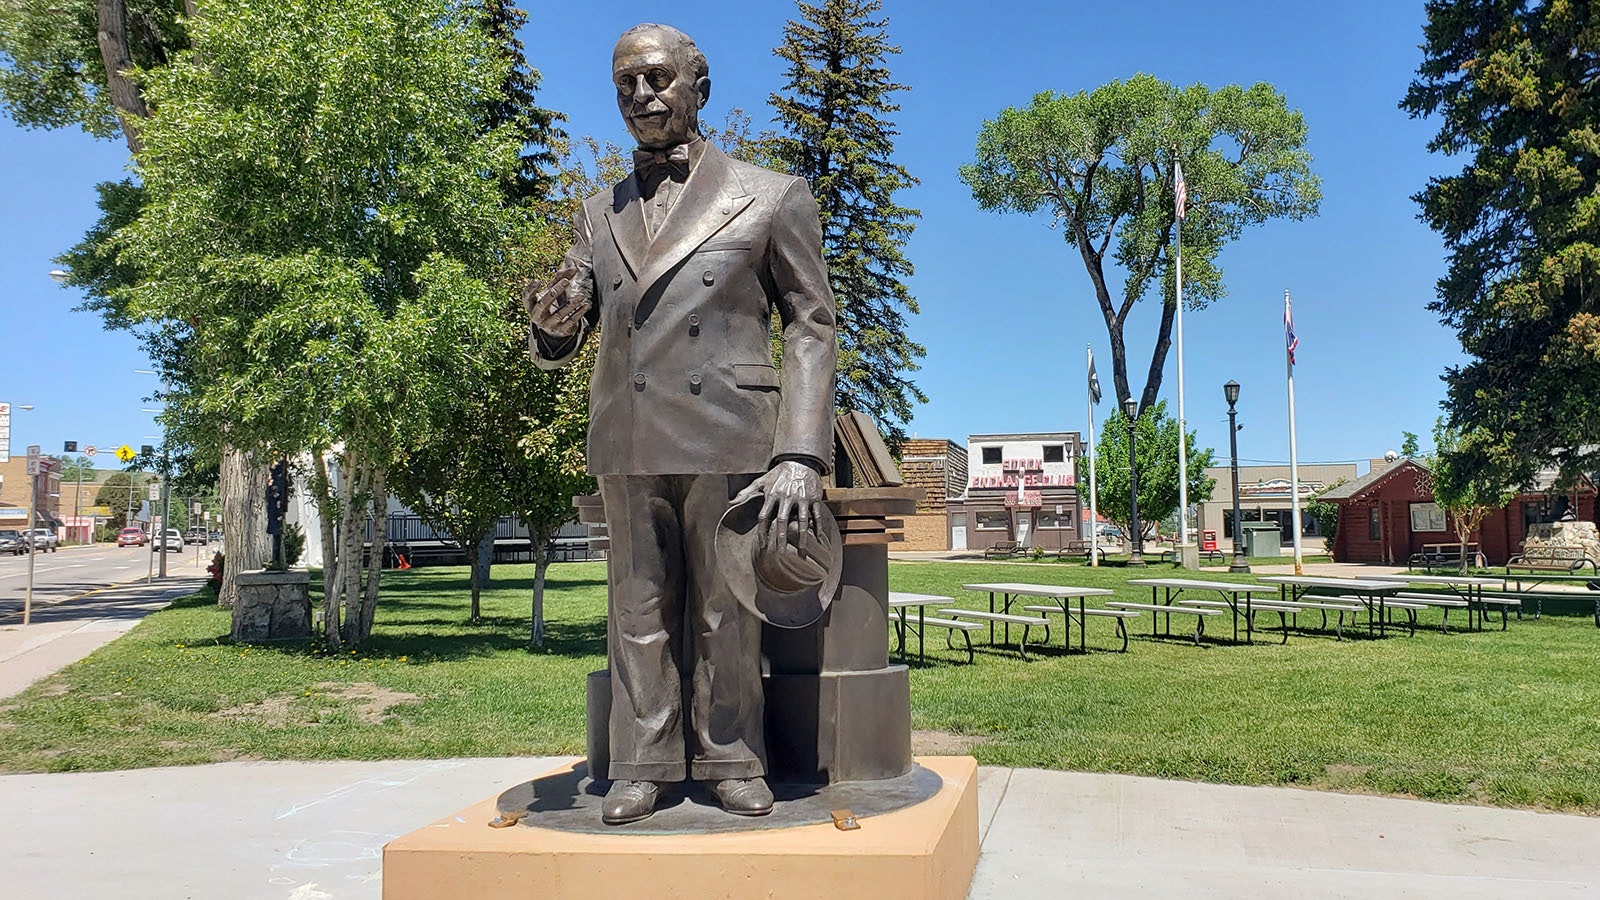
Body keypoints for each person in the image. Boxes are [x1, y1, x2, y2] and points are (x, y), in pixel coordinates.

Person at [525, 22, 836, 825]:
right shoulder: (600, 212)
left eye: (657, 78)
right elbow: (578, 322)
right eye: (625, 82)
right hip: (629, 431)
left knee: (725, 608)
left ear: (700, 83)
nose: (641, 95)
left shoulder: (770, 194)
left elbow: (811, 324)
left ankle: (732, 756)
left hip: (731, 427)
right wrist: (554, 324)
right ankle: (646, 762)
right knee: (636, 607)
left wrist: (800, 449)